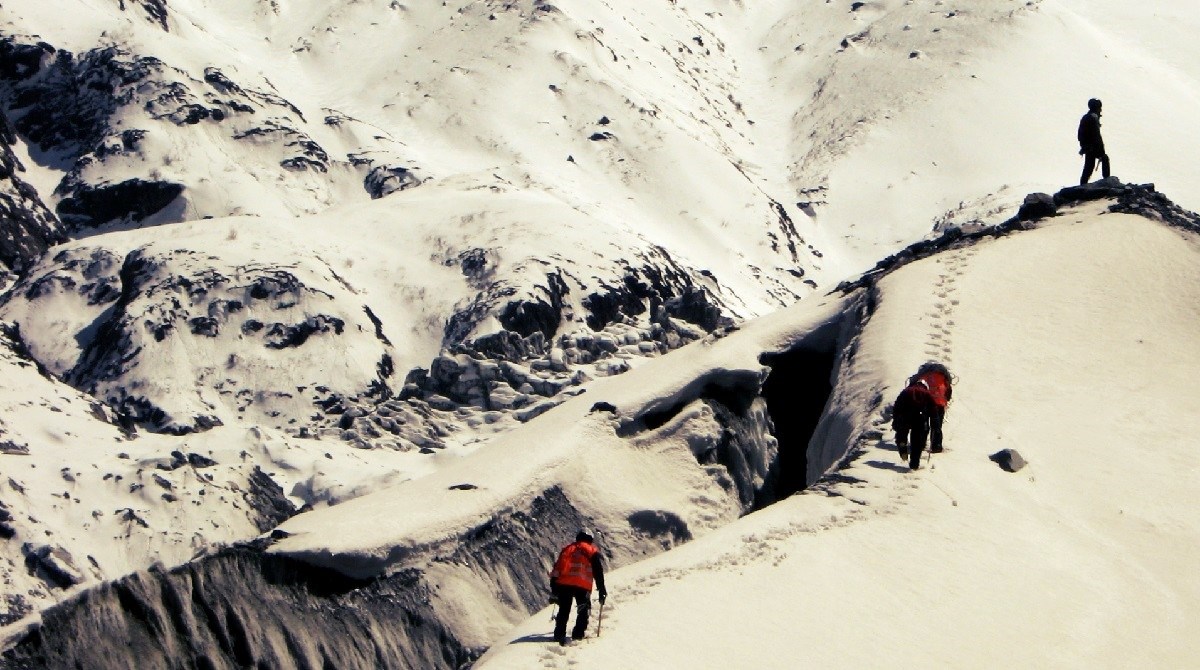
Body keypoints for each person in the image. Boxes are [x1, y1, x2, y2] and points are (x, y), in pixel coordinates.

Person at [549, 530, 607, 645]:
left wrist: (554, 587)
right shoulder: (591, 550)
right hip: (582, 585)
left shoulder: (568, 549)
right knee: (583, 610)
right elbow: (598, 571)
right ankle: (578, 635)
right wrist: (601, 589)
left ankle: (559, 635)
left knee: (564, 610)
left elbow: (557, 567)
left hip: (564, 584)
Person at [892, 377, 933, 470]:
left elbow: (896, 406)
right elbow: (933, 410)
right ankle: (914, 463)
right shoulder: (927, 393)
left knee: (901, 433)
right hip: (920, 418)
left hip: (905, 416)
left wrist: (895, 421)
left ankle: (902, 444)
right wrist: (934, 425)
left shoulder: (906, 391)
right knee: (916, 442)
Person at [912, 362, 953, 454]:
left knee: (923, 425)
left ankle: (920, 444)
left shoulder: (923, 376)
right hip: (939, 404)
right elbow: (948, 392)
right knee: (936, 426)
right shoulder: (944, 378)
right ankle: (936, 446)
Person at [1077, 98, 1110, 185]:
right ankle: (1107, 182)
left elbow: (1080, 134)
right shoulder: (1093, 118)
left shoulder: (1086, 117)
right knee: (1103, 159)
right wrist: (1101, 151)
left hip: (1087, 147)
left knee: (1088, 167)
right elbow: (1097, 136)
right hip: (1093, 147)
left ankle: (1082, 185)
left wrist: (1083, 146)